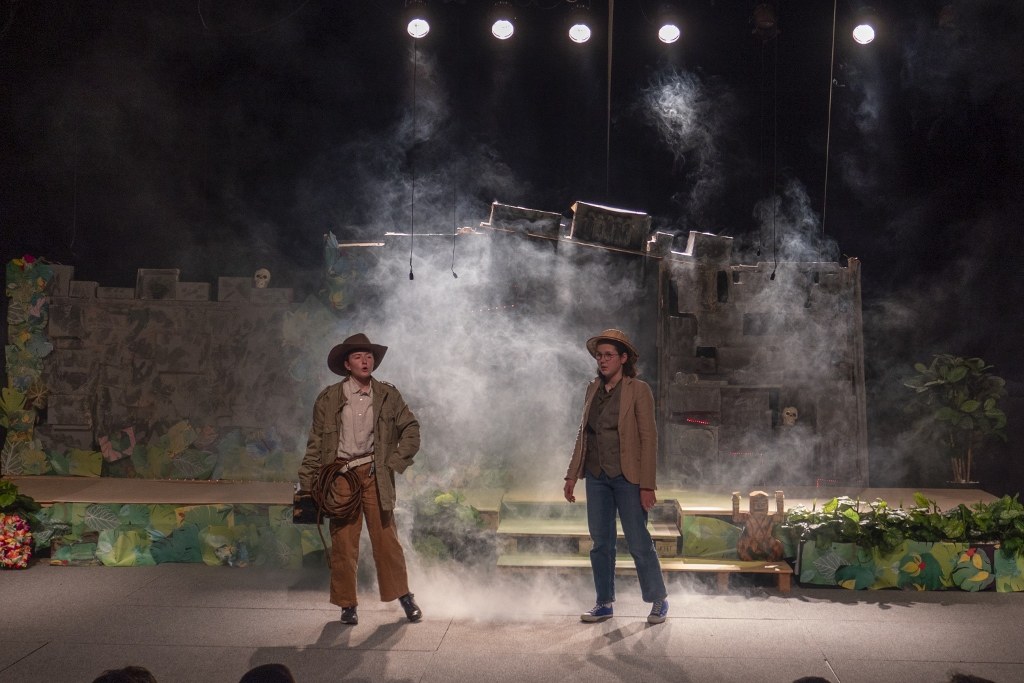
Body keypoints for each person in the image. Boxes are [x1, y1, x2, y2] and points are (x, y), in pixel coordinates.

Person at [298, 332, 422, 625]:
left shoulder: (388, 395)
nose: (365, 361)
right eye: (358, 356)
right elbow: (316, 442)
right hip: (341, 477)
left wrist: (393, 462)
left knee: (386, 540)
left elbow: (411, 428)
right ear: (347, 364)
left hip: (374, 474)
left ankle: (404, 597)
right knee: (343, 542)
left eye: (369, 356)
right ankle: (347, 604)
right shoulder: (329, 398)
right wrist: (308, 483)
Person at [563, 328, 669, 624]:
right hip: (597, 475)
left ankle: (658, 599)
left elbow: (649, 439)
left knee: (638, 541)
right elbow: (583, 434)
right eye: (599, 355)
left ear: (623, 358)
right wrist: (571, 475)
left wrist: (647, 485)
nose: (603, 360)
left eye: (609, 355)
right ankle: (604, 602)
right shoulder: (592, 389)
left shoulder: (638, 390)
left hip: (628, 477)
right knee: (601, 542)